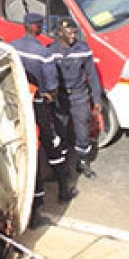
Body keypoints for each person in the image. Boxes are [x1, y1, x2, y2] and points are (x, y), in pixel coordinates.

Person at [10, 13, 76, 206]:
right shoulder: (43, 53)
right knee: (51, 143)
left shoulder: (12, 47)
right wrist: (50, 97)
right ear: (37, 28)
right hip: (39, 104)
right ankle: (63, 189)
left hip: (19, 103)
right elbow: (52, 84)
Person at [49, 18, 103, 180]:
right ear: (60, 33)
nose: (73, 36)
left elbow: (92, 76)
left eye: (75, 32)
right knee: (60, 131)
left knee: (83, 131)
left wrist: (97, 99)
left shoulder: (83, 49)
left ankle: (83, 163)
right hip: (61, 98)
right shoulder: (52, 51)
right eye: (69, 33)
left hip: (79, 96)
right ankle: (62, 166)